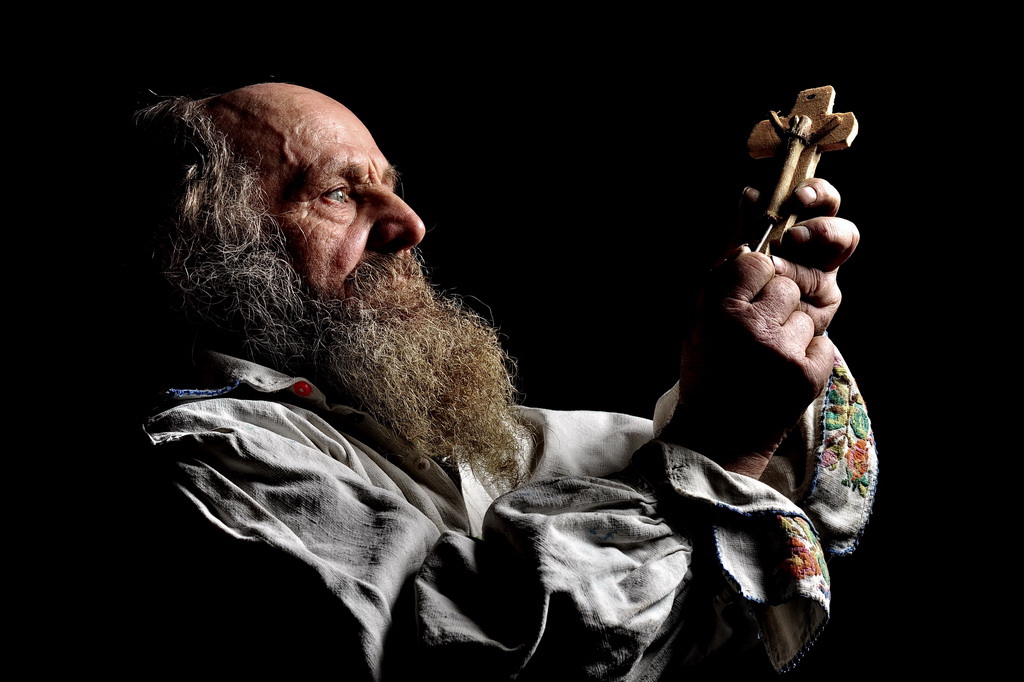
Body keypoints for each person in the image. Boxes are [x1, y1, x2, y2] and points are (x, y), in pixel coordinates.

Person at [126, 82, 875, 679]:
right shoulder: (209, 456)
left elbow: (776, 507)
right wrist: (720, 437)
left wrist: (773, 329)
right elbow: (481, 649)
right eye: (338, 194)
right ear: (204, 250)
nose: (410, 225)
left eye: (391, 187)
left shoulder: (449, 439)